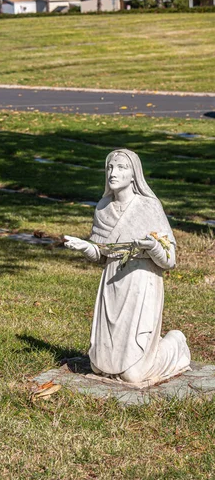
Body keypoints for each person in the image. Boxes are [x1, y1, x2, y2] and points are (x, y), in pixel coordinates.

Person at [64, 149, 191, 386]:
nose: (114, 172)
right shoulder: (103, 208)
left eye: (122, 167)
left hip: (141, 281)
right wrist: (85, 247)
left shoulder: (148, 206)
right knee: (98, 367)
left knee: (133, 375)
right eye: (110, 167)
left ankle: (175, 343)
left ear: (134, 175)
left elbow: (169, 259)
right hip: (112, 284)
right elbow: (103, 255)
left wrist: (152, 246)